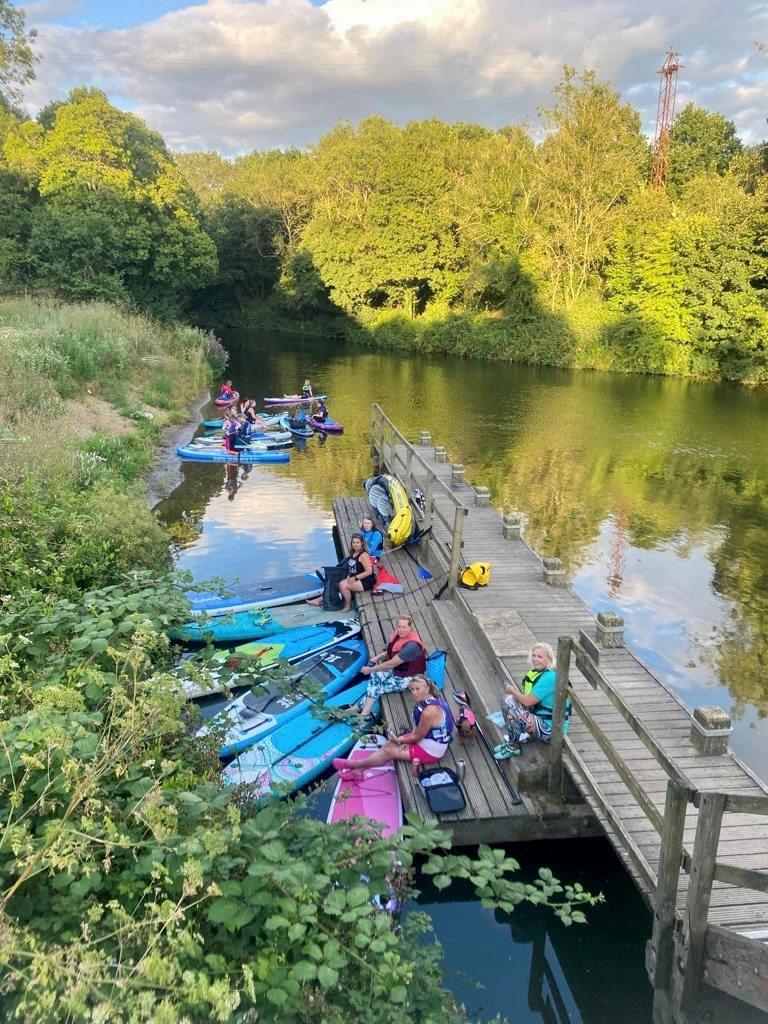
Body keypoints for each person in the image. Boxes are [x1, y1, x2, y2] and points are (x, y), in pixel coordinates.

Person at [334, 675, 452, 776]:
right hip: (424, 738)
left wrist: (401, 741)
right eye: (412, 689)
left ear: (427, 688)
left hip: (432, 749)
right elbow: (417, 730)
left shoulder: (429, 711)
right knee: (390, 743)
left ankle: (354, 764)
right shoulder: (429, 699)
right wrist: (405, 741)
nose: (414, 693)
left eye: (417, 689)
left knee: (389, 751)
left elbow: (417, 737)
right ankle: (359, 770)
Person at [500, 642, 569, 753]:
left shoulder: (550, 677)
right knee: (508, 700)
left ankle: (513, 747)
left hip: (552, 731)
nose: (535, 659)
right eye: (534, 655)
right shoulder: (542, 672)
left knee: (511, 708)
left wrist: (512, 690)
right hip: (542, 720)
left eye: (540, 656)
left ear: (549, 659)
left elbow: (527, 702)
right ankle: (516, 738)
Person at [357, 615, 427, 719]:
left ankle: (362, 711)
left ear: (410, 627)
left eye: (404, 627)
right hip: (400, 670)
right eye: (399, 627)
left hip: (412, 678)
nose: (401, 630)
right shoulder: (399, 636)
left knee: (378, 686)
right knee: (376, 676)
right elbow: (391, 652)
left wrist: (369, 669)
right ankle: (362, 710)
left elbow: (390, 664)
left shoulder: (412, 646)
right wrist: (377, 657)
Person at [337, 533, 375, 613]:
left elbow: (369, 571)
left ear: (362, 543)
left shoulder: (364, 555)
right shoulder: (353, 553)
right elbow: (352, 567)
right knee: (341, 582)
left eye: (357, 542)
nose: (355, 544)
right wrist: (349, 575)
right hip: (356, 577)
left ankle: (348, 605)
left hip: (366, 580)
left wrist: (355, 578)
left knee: (343, 585)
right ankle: (346, 600)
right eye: (353, 542)